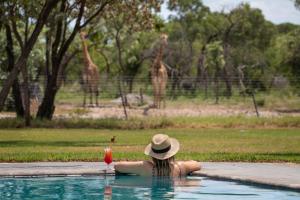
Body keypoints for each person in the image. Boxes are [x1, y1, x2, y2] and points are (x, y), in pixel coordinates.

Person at [114, 134, 200, 176]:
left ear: (152, 154)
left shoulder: (145, 167)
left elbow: (117, 166)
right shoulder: (181, 168)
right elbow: (197, 164)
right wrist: (178, 163)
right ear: (171, 153)